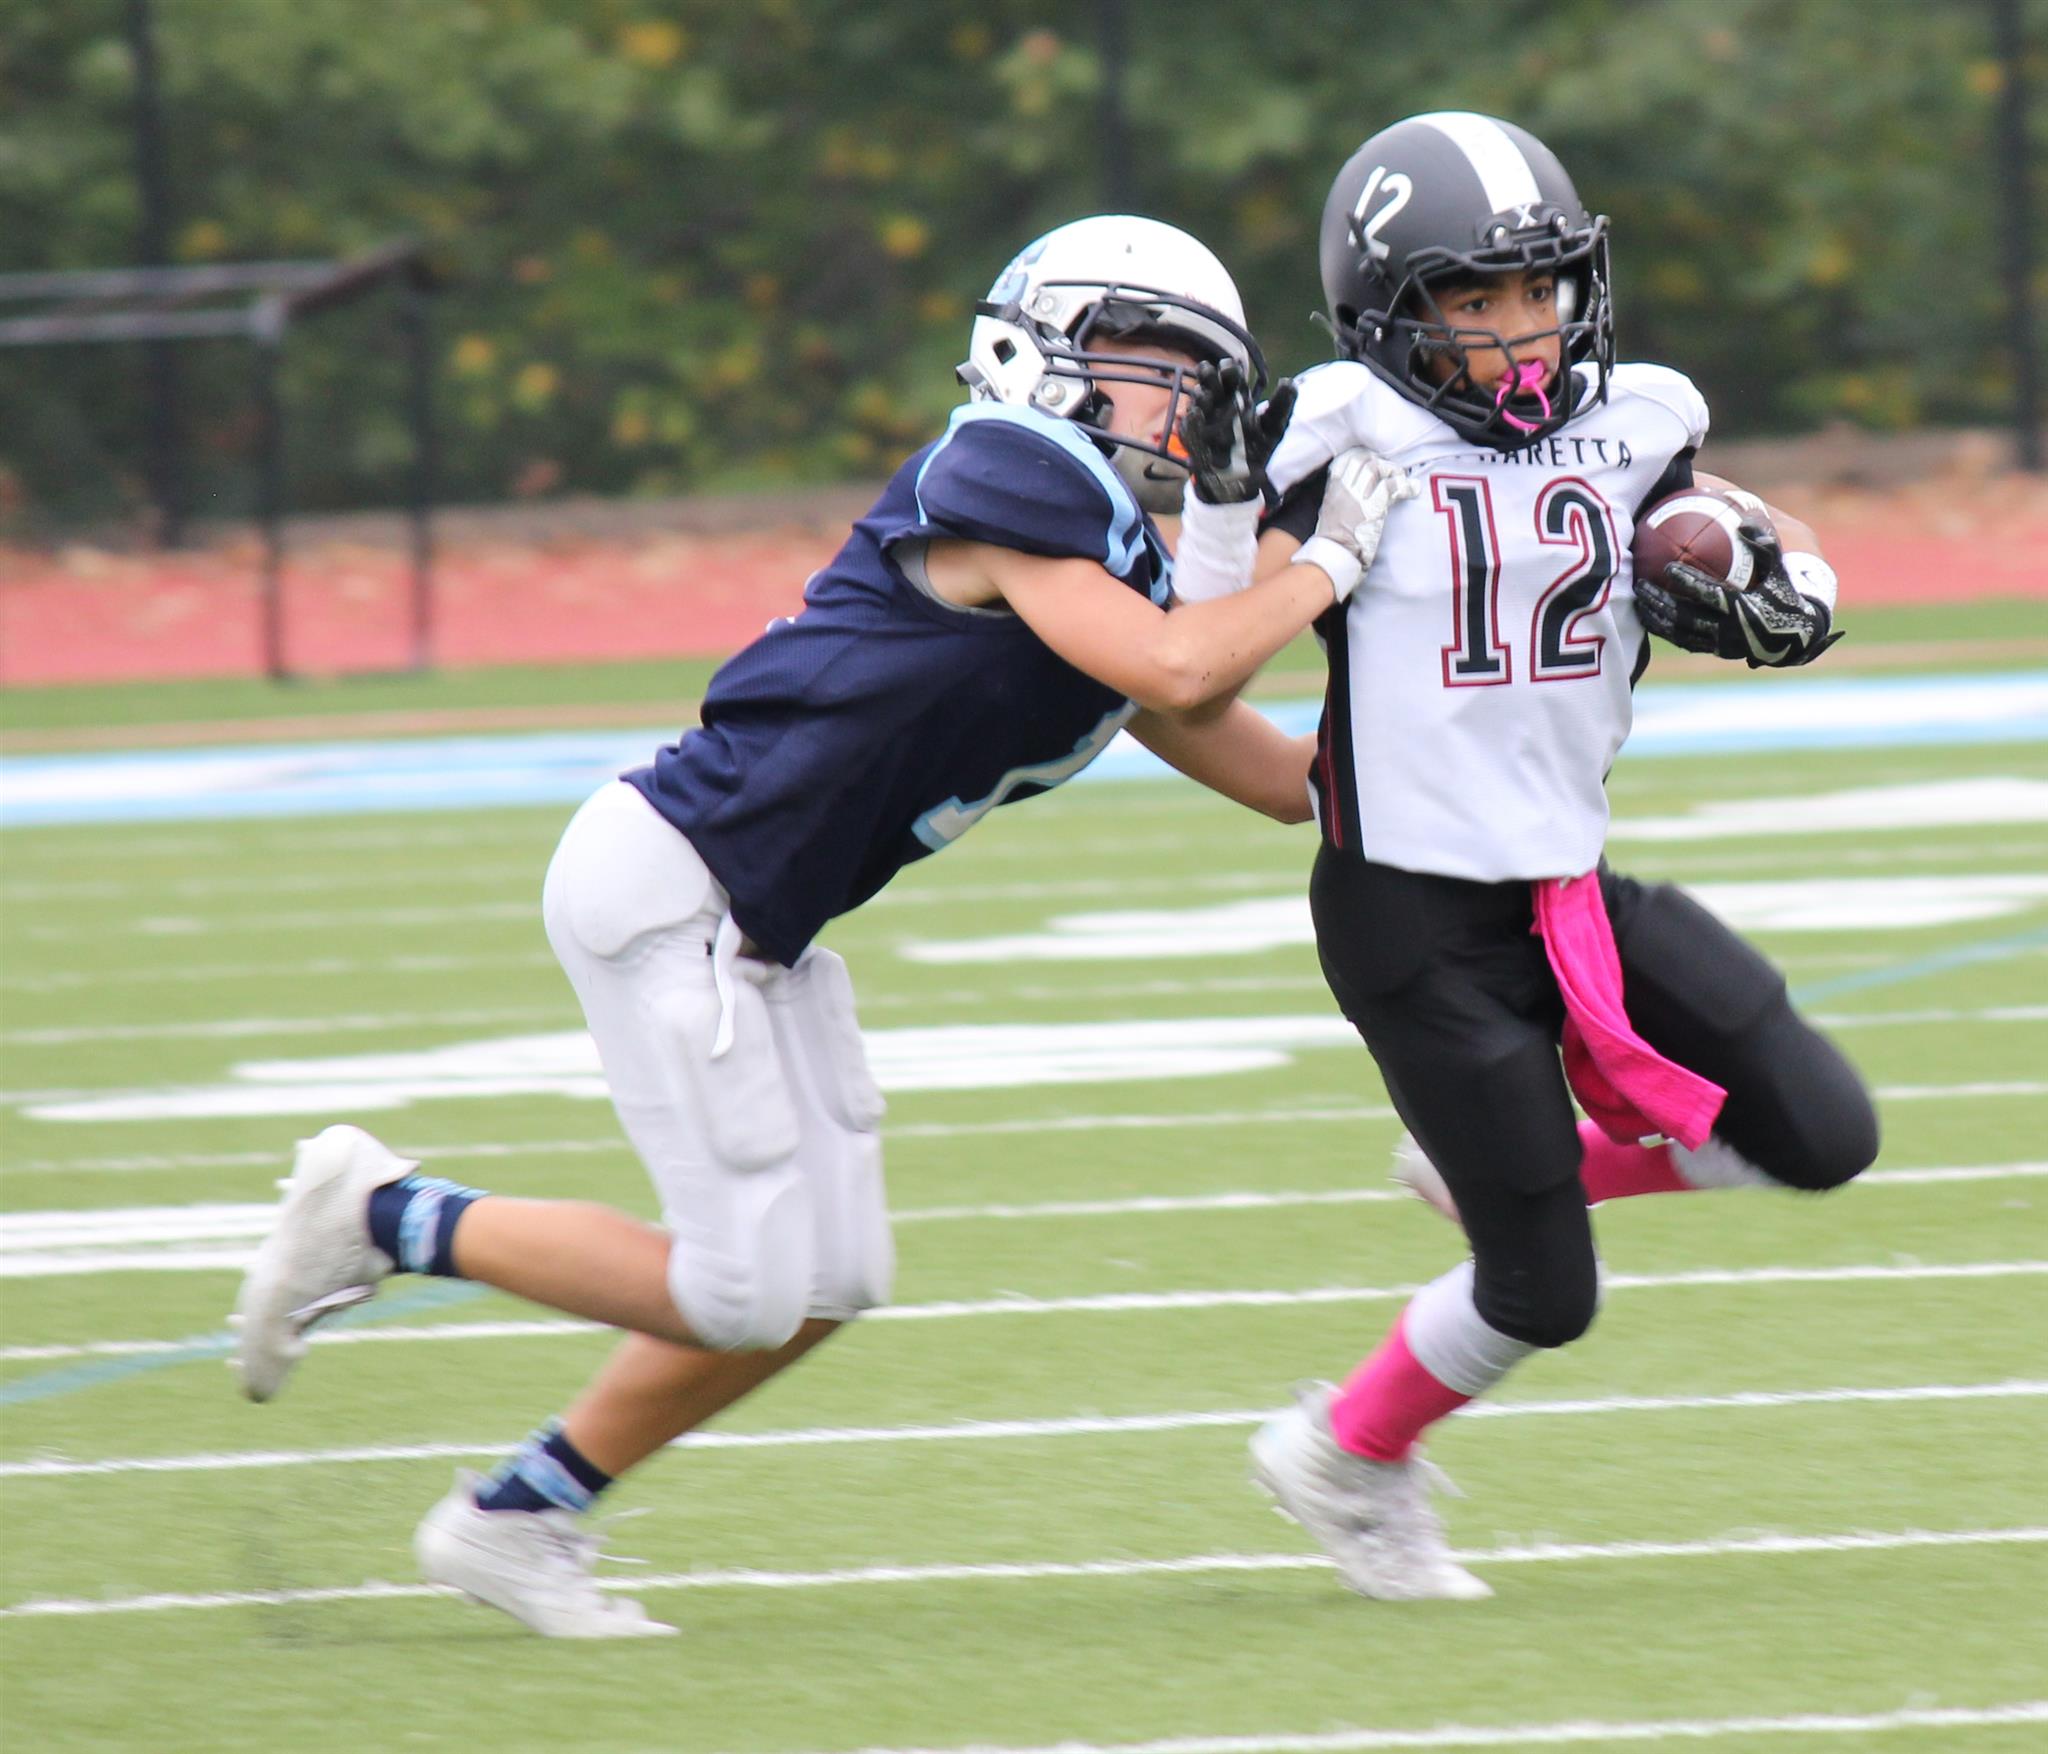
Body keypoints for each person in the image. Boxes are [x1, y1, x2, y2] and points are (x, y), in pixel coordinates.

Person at [229, 214, 1413, 1638]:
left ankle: (518, 1517)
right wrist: (1325, 560)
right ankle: (378, 1212)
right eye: (1151, 357)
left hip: (756, 922)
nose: (1180, 398)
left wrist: (1491, 709)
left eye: (1195, 372)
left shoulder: (1112, 569)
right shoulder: (1011, 469)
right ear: (1047, 346)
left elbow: (1273, 766)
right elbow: (1180, 662)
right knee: (736, 1290)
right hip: (672, 882)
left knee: (830, 1278)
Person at [1230, 112, 1880, 1601]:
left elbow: (1763, 532)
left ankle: (1524, 1168)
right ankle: (1342, 1454)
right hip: (1410, 913)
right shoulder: (1340, 427)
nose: (1522, 330)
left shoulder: (1640, 418)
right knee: (1540, 1296)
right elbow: (1209, 627)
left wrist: (1782, 580)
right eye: (1474, 299)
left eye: (1540, 289)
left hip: (1572, 890)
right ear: (1388, 310)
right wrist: (1313, 580)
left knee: (1821, 1130)